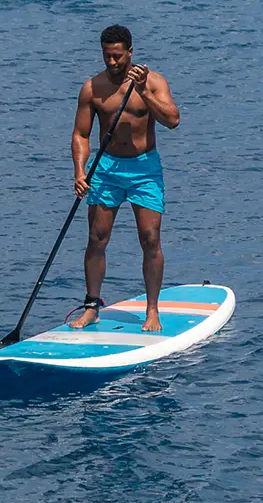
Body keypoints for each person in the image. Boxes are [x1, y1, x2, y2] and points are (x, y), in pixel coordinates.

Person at [69, 25, 182, 332]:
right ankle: (92, 306)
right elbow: (81, 134)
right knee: (96, 238)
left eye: (118, 56)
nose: (113, 63)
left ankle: (152, 310)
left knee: (150, 239)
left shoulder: (154, 82)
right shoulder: (92, 88)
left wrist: (144, 91)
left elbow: (172, 120)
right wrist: (80, 171)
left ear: (131, 52)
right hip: (106, 169)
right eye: (107, 56)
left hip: (144, 170)